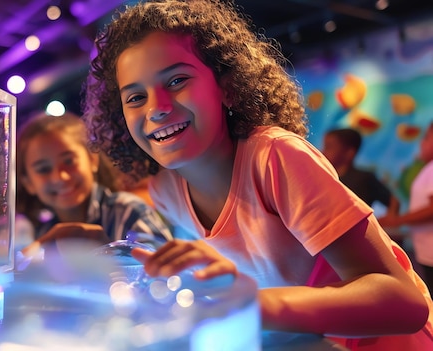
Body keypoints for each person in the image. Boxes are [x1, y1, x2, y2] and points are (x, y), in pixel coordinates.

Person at [81, 0, 433, 349]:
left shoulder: (276, 158)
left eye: (176, 80)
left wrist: (250, 302)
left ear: (229, 87)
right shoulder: (165, 189)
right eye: (136, 97)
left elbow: (403, 301)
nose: (157, 109)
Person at [16, 112, 172, 253]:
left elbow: (168, 274)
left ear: (92, 159)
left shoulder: (128, 212)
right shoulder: (43, 235)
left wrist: (107, 254)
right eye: (43, 169)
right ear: (28, 183)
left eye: (69, 161)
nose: (60, 177)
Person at [379, 122, 433, 292]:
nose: (421, 143)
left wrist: (397, 220)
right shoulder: (425, 167)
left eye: (426, 138)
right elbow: (399, 189)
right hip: (425, 249)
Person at [322, 128, 400, 215]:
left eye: (328, 147)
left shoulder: (364, 178)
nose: (323, 152)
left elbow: (394, 201)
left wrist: (389, 222)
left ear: (349, 153)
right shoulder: (325, 178)